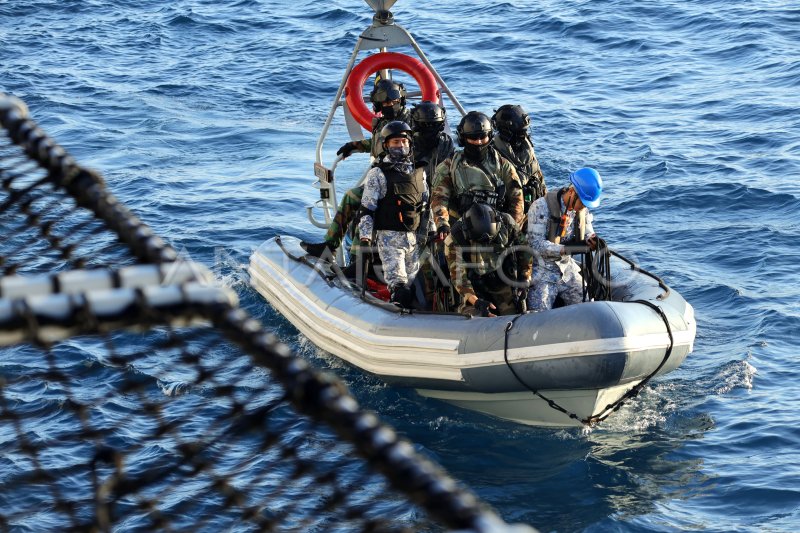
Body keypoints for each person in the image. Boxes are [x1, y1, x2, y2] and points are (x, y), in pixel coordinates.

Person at [301, 102, 453, 261]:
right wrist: (355, 146)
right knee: (355, 197)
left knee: (369, 209)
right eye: (425, 125)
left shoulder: (445, 145)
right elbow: (381, 144)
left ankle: (355, 260)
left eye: (433, 125)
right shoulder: (407, 140)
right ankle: (333, 247)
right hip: (397, 185)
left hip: (422, 194)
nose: (429, 130)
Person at [357, 121, 429, 307]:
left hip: (414, 239)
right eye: (395, 142)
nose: (401, 146)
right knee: (400, 287)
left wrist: (433, 230)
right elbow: (366, 210)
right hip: (390, 239)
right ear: (387, 145)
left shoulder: (419, 173)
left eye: (404, 142)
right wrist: (365, 239)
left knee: (416, 285)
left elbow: (426, 204)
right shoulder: (378, 174)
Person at [430, 111, 524, 244]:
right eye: (473, 138)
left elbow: (517, 198)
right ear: (463, 138)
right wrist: (442, 224)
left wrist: (512, 227)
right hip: (460, 228)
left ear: (490, 136)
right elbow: (439, 197)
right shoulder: (449, 166)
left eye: (483, 137)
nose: (479, 142)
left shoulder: (503, 165)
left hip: (495, 226)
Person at [526, 167, 603, 312]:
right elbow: (535, 244)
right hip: (543, 271)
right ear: (572, 192)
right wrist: (563, 249)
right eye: (583, 203)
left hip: (567, 269)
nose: (583, 208)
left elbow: (587, 229)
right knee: (539, 316)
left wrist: (591, 238)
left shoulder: (581, 210)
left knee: (590, 307)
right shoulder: (540, 207)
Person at [444, 202, 531, 316]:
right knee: (474, 318)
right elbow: (460, 279)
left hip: (500, 277)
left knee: (515, 314)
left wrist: (525, 277)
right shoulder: (454, 240)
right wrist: (476, 301)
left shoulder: (507, 222)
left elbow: (524, 249)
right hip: (473, 284)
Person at [336, 78, 412, 160]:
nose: (391, 105)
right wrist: (354, 145)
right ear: (379, 105)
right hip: (385, 167)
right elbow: (380, 142)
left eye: (394, 101)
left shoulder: (412, 120)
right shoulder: (383, 123)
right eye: (386, 103)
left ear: (401, 100)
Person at [491, 104, 546, 212]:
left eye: (524, 131)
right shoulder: (493, 156)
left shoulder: (528, 152)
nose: (524, 135)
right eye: (520, 132)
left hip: (533, 212)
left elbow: (541, 182)